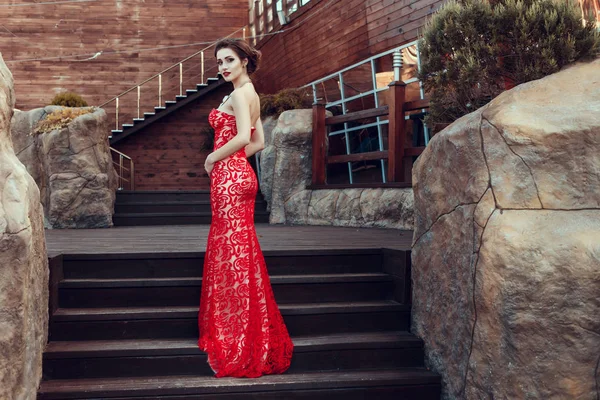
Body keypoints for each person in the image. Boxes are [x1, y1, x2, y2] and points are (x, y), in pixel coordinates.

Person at [198, 38, 293, 378]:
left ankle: (237, 337)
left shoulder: (240, 94)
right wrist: (233, 163)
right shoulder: (249, 93)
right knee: (240, 251)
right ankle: (246, 331)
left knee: (232, 252)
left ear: (243, 61)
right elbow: (259, 143)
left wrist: (214, 158)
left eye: (228, 60)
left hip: (230, 180)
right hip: (240, 176)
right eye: (219, 61)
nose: (223, 66)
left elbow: (241, 138)